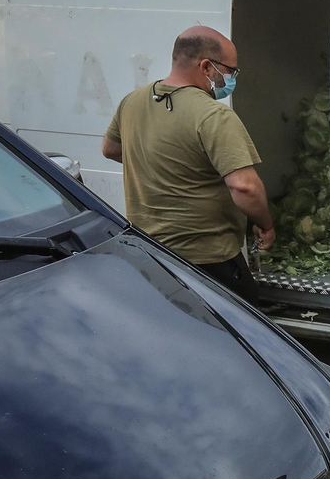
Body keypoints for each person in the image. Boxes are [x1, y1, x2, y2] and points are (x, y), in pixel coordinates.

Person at [102, 26, 274, 301]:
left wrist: (163, 163)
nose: (231, 79)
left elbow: (110, 149)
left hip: (149, 254)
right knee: (237, 336)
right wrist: (265, 225)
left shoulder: (132, 101)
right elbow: (245, 188)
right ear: (207, 66)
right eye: (231, 71)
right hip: (207, 261)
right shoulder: (213, 115)